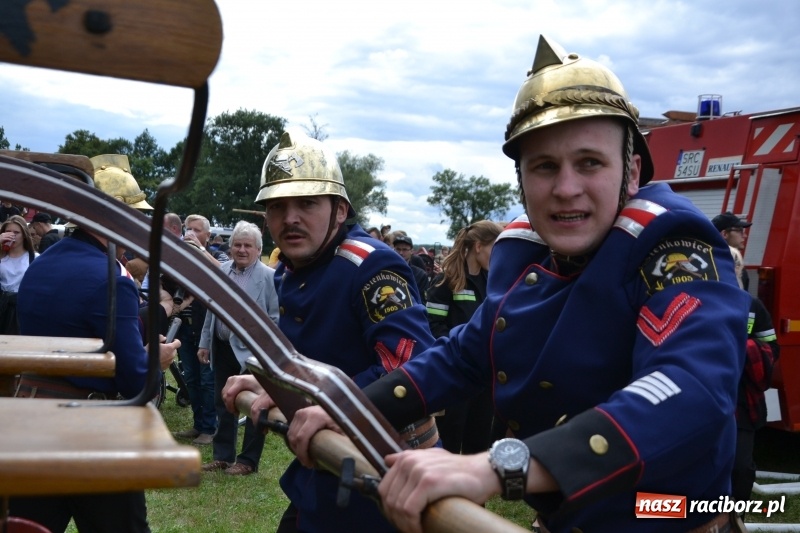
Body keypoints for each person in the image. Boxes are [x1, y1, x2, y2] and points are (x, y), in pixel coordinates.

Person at [275, 36, 749, 533]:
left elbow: (691, 386)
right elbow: (461, 356)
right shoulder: (523, 253)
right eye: (544, 167)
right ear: (521, 180)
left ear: (631, 172)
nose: (566, 188)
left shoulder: (670, 244)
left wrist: (497, 466)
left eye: (590, 162)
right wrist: (349, 408)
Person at [222, 131, 435, 533]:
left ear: (340, 210)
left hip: (384, 474)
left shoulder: (370, 265)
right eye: (277, 206)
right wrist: (273, 381)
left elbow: (408, 368)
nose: (290, 218)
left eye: (307, 203)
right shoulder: (291, 270)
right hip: (327, 469)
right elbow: (315, 359)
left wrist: (319, 401)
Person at [9, 153, 180, 533]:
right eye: (133, 215)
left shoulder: (40, 265)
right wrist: (157, 360)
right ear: (113, 218)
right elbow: (136, 381)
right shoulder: (111, 279)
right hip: (92, 432)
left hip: (31, 426)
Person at [198, 220, 279, 475]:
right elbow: (211, 310)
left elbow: (275, 319)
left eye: (248, 246)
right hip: (222, 347)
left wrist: (265, 353)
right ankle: (222, 456)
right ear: (230, 247)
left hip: (253, 354)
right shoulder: (222, 270)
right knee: (223, 402)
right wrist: (204, 342)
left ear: (258, 249)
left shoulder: (269, 277)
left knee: (254, 405)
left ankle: (248, 461)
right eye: (237, 245)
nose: (242, 250)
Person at [425, 220, 504, 454]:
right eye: (494, 248)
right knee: (450, 439)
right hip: (454, 373)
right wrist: (461, 348)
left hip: (484, 375)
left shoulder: (492, 282)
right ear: (478, 246)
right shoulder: (446, 281)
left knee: (479, 441)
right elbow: (432, 326)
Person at [725, 246, 779, 523]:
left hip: (742, 404)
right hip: (702, 399)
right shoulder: (693, 301)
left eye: (736, 265)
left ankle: (735, 522)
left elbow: (771, 350)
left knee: (740, 468)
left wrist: (740, 346)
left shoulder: (753, 307)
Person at [172, 213, 228, 445]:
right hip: (184, 327)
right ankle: (198, 424)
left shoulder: (217, 254)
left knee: (207, 380)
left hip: (206, 328)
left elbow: (225, 272)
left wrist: (201, 250)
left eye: (196, 230)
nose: (191, 234)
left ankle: (210, 428)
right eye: (188, 229)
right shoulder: (179, 256)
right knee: (191, 379)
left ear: (208, 234)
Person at [0, 214, 38, 334]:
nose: (11, 236)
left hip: (22, 306)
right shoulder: (1, 257)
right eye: (8, 232)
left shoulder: (34, 258)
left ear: (24, 235)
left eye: (16, 232)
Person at [712, 211, 751, 291]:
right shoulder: (722, 267)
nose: (745, 235)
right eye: (740, 231)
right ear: (725, 234)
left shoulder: (709, 260)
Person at [392, 233, 430, 302]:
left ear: (411, 251)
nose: (401, 252)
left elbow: (422, 301)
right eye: (398, 249)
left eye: (404, 249)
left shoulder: (420, 274)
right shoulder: (387, 270)